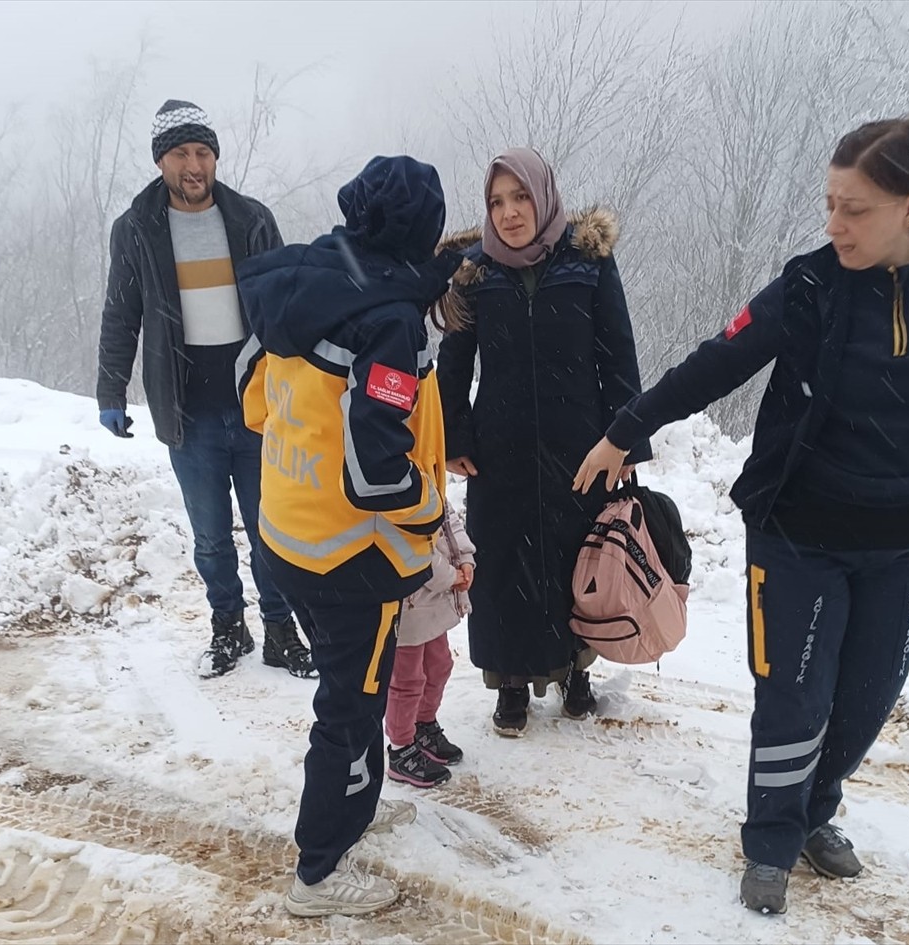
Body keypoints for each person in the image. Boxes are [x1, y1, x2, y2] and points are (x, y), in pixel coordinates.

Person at [573, 116, 909, 915]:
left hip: (905, 541)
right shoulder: (811, 286)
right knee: (792, 693)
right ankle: (771, 839)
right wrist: (627, 428)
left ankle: (816, 807)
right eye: (829, 204)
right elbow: (717, 360)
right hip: (796, 533)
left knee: (866, 697)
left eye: (853, 208)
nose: (834, 225)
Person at [236, 154, 464, 916]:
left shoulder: (304, 277)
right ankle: (320, 869)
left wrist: (428, 274)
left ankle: (344, 816)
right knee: (350, 709)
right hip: (353, 560)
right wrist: (429, 510)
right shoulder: (390, 324)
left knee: (349, 698)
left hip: (287, 534)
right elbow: (374, 472)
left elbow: (252, 392)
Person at [96, 98, 315, 681]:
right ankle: (227, 626)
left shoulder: (251, 220)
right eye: (180, 153)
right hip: (186, 411)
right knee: (212, 538)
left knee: (272, 530)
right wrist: (110, 392)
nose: (193, 165)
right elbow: (122, 314)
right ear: (161, 161)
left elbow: (286, 305)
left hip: (258, 407)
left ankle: (279, 629)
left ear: (214, 158)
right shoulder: (136, 229)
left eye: (202, 152)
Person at [436, 147, 651, 737]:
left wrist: (624, 438)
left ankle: (576, 671)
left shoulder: (588, 261)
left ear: (544, 196)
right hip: (498, 447)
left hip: (579, 447)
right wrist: (452, 435)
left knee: (574, 557)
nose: (509, 212)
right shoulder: (475, 273)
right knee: (503, 562)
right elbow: (452, 363)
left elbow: (617, 353)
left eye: (521, 197)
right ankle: (508, 684)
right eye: (497, 202)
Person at [385, 500, 475, 788]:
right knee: (407, 679)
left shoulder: (429, 473)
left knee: (439, 666)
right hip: (408, 597)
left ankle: (423, 723)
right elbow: (407, 545)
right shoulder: (392, 482)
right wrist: (449, 576)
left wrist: (465, 558)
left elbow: (448, 520)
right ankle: (400, 747)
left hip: (434, 598)